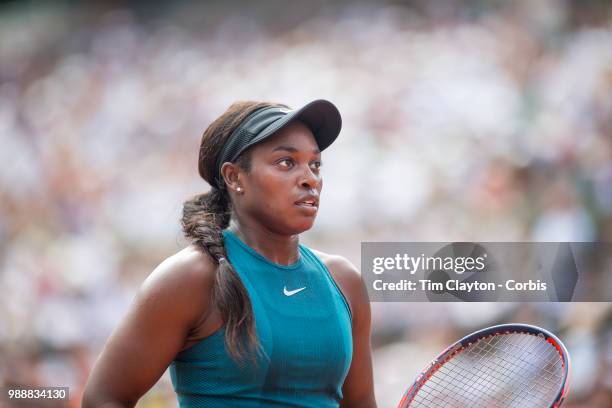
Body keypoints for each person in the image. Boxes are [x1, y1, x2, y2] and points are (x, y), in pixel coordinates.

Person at [82, 99, 376, 407]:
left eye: (314, 165)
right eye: (286, 163)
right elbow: (103, 398)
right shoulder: (190, 278)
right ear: (234, 177)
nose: (309, 179)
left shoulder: (345, 282)